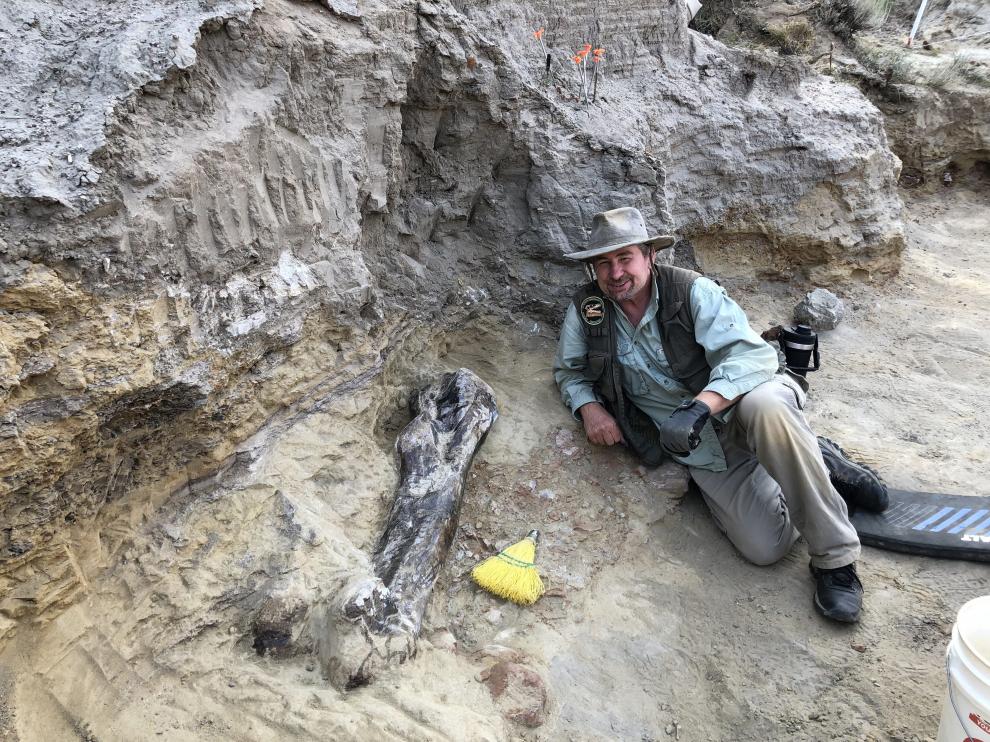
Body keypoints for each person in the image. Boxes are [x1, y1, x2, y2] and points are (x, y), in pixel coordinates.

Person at [553, 207, 888, 624]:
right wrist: (589, 406)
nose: (615, 272)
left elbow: (753, 357)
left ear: (649, 257)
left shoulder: (691, 291)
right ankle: (816, 462)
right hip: (701, 449)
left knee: (769, 404)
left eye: (625, 259)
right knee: (764, 549)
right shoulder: (588, 309)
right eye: (603, 262)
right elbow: (569, 372)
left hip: (745, 412)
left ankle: (835, 561)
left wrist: (700, 406)